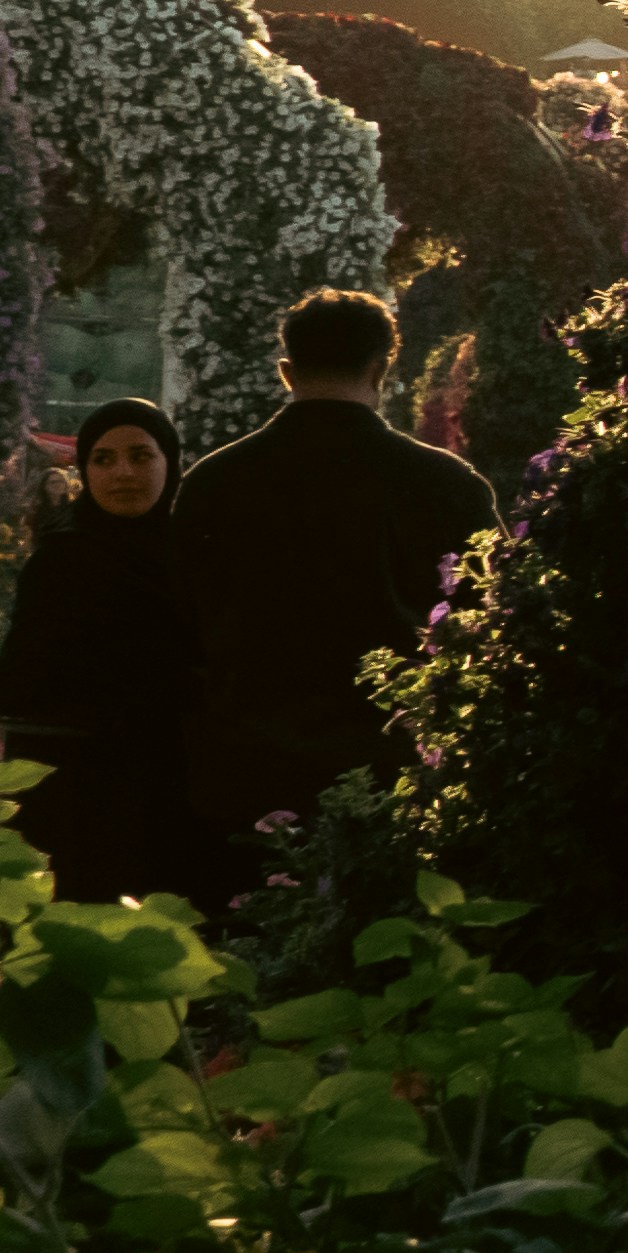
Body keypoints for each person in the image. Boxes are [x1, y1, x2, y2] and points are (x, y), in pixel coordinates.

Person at [170, 288, 501, 844]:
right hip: (396, 778)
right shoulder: (447, 485)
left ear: (286, 371)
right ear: (381, 369)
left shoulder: (214, 483)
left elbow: (179, 626)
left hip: (248, 778)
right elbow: (490, 621)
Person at [0, 399, 196, 882]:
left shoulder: (196, 559)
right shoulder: (61, 562)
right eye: (103, 459)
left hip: (173, 786)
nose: (123, 473)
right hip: (71, 793)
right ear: (84, 470)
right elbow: (25, 690)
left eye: (141, 456)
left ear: (170, 462)